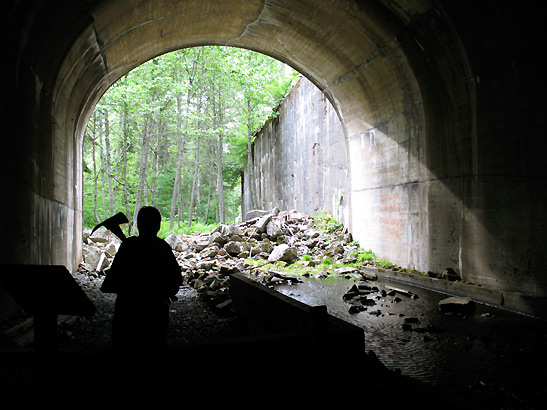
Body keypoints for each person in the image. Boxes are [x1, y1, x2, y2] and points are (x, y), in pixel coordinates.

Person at [107, 206, 182, 351]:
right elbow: (176, 280)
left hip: (127, 310)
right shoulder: (162, 247)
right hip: (155, 310)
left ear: (139, 224)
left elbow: (112, 281)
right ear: (158, 225)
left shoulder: (128, 247)